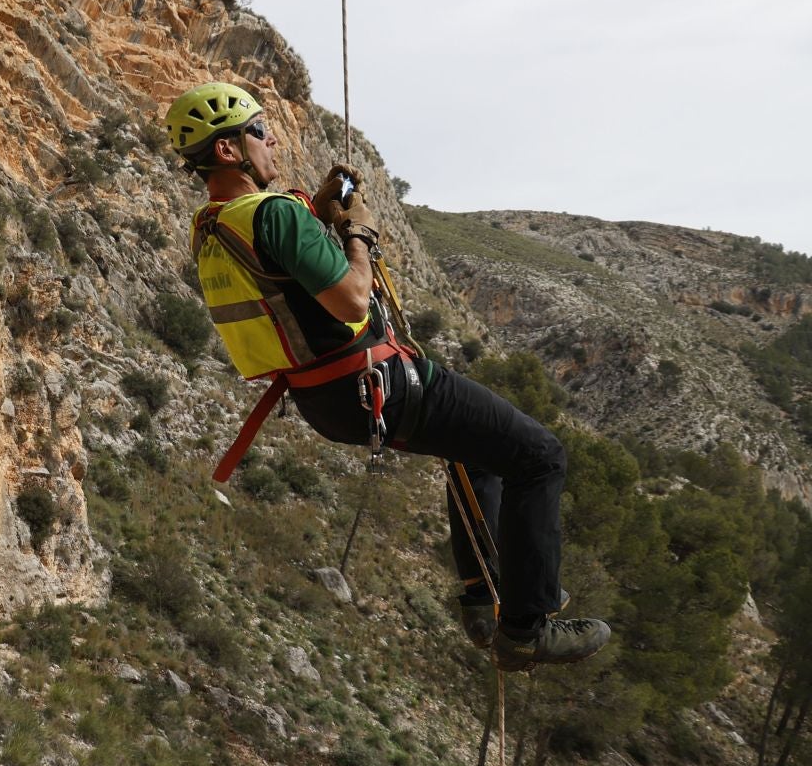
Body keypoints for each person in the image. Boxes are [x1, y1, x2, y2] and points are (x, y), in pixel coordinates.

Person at [165, 81, 610, 671]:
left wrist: (318, 213)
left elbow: (283, 278)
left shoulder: (213, 226)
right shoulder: (270, 214)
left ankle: (484, 599)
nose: (271, 140)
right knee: (540, 455)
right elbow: (350, 300)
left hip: (325, 399)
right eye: (258, 130)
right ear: (228, 151)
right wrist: (359, 234)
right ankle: (526, 630)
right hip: (376, 383)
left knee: (474, 453)